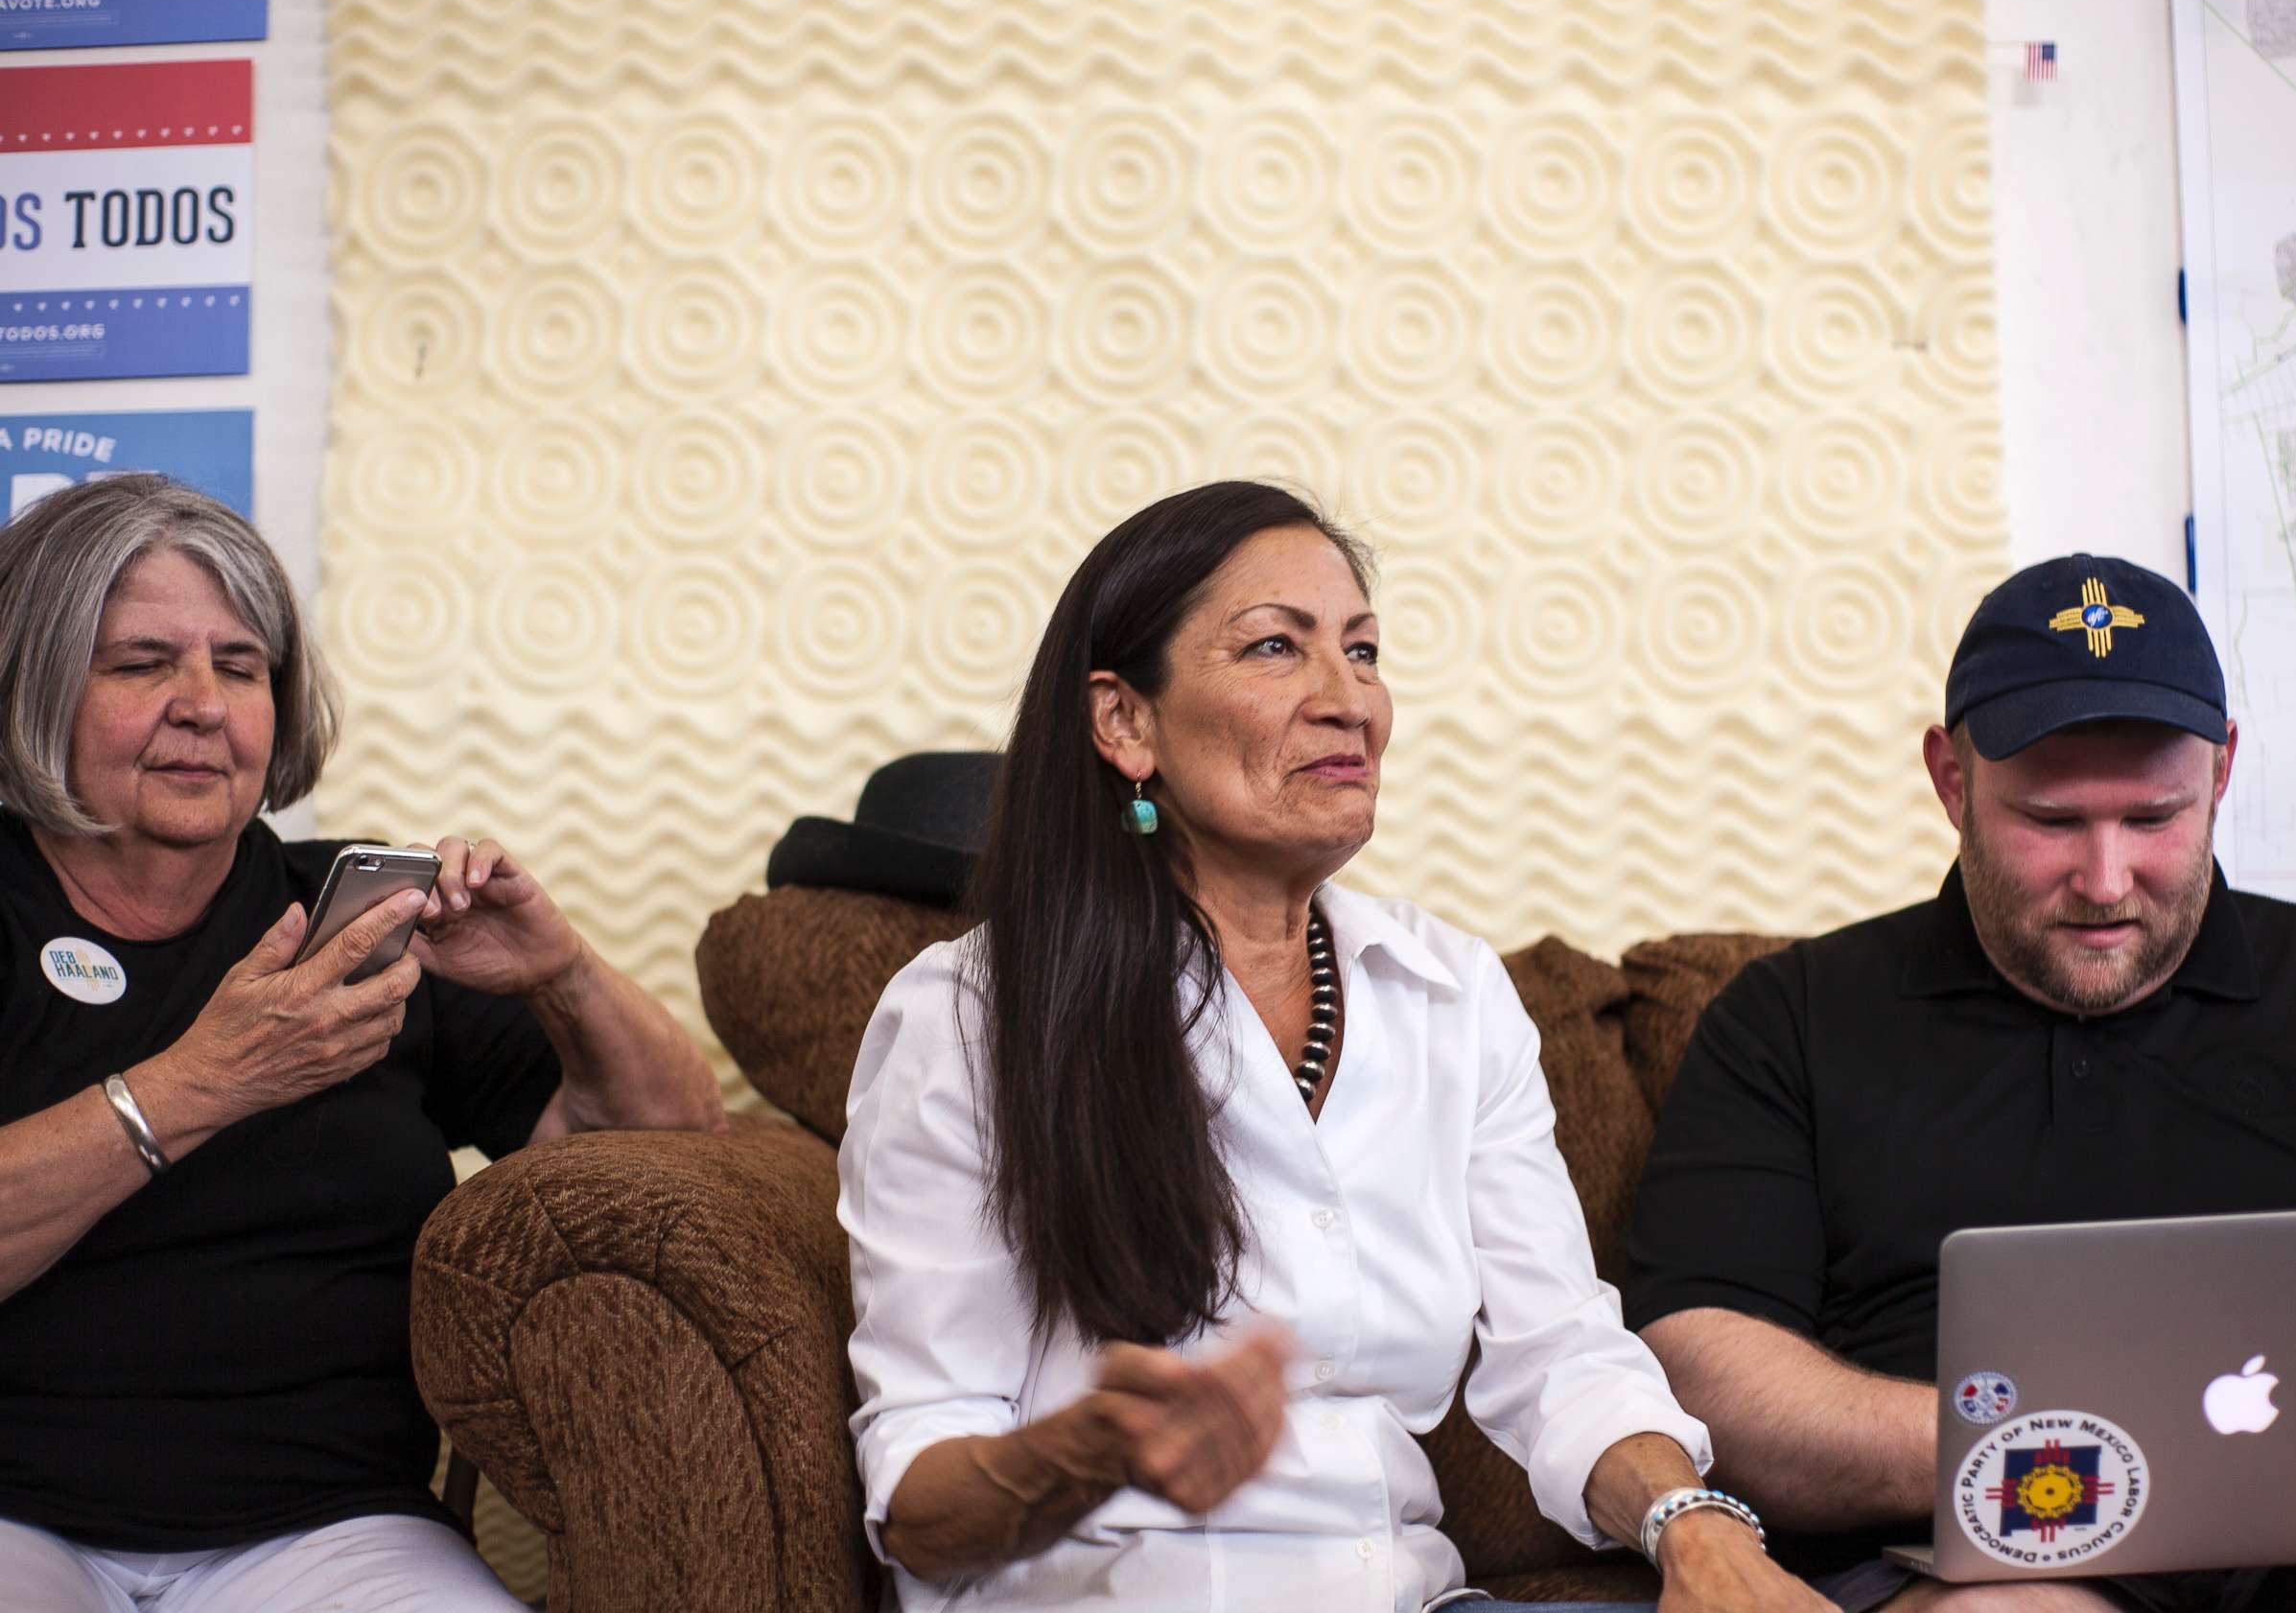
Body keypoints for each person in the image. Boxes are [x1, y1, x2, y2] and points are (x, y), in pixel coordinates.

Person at [838, 481, 1830, 1611]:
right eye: (1277, 648)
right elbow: (918, 1496)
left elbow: (1558, 1355)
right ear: (1126, 724)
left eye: (1362, 653)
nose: (1347, 699)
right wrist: (1089, 1451)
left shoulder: (1450, 994)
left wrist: (1692, 1528)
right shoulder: (971, 1017)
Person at [1625, 553, 2296, 1613]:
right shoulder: (1787, 1019)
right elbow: (1704, 1368)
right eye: (2053, 822)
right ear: (1951, 780)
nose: (2107, 881)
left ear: (2222, 772)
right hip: (1998, 1557)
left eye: (2155, 817)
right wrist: (2085, 1451)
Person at [0, 477, 724, 1611]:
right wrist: (206, 1083)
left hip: (328, 1526)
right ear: (32, 686)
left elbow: (678, 1147)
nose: (202, 705)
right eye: (142, 663)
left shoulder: (360, 924)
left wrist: (563, 977)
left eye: (240, 667)